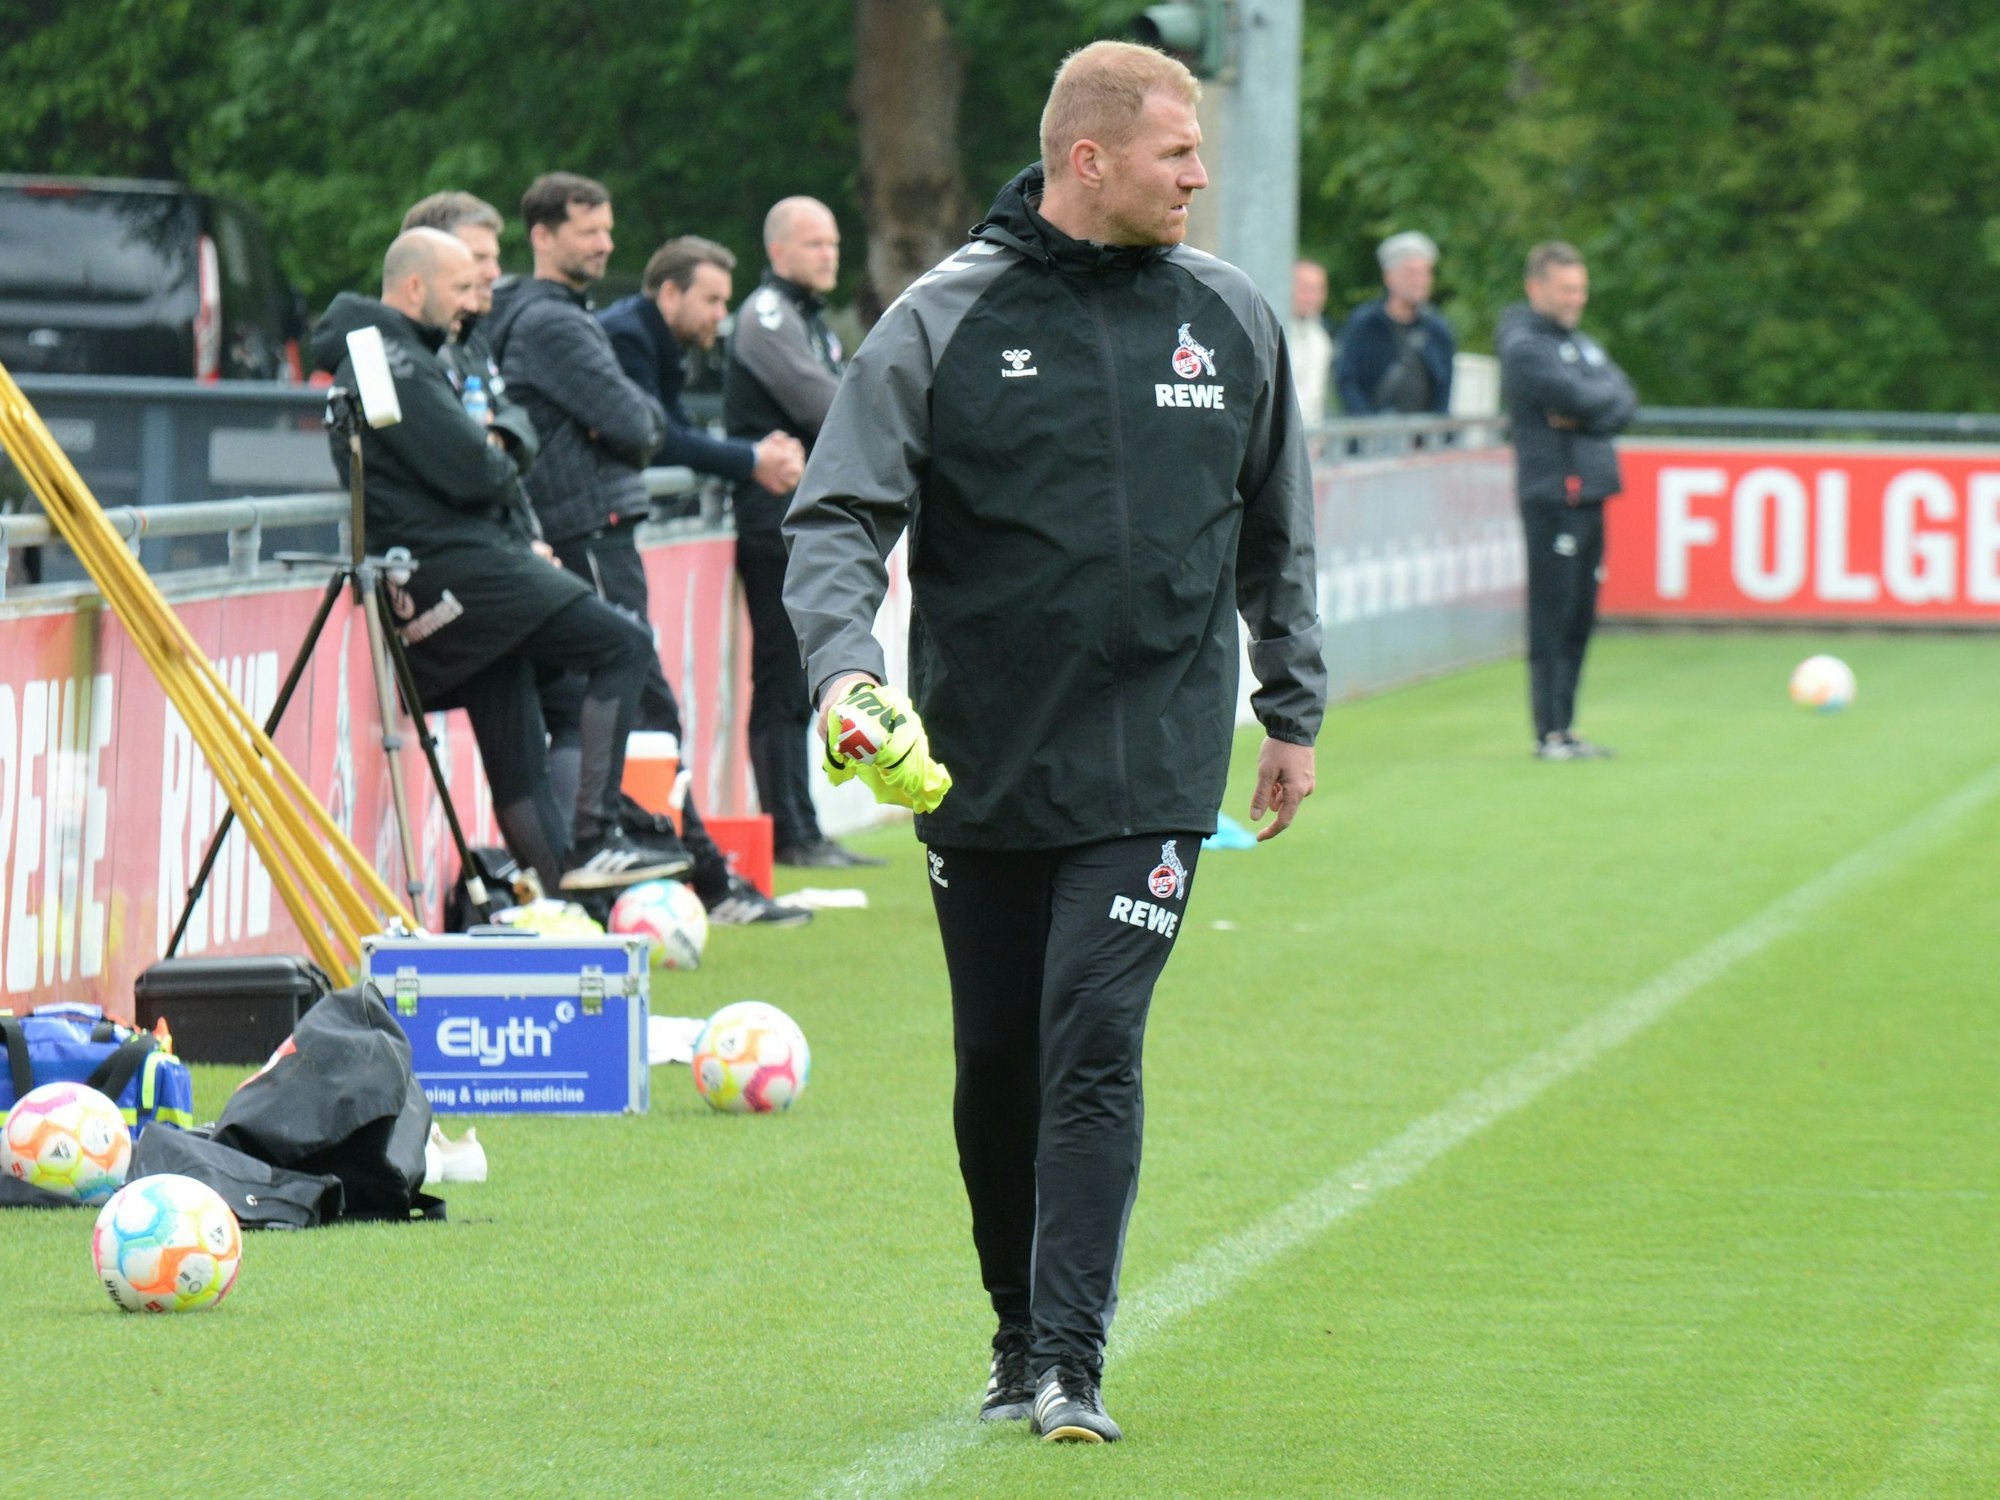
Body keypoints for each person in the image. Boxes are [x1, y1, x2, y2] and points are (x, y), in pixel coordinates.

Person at [783, 40, 1325, 1443]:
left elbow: (1277, 530)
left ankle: (1073, 1361)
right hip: (984, 755)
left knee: (1092, 1036)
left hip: (1156, 757)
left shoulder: (1231, 314)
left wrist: (1291, 706)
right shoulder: (942, 318)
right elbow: (837, 516)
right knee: (997, 1063)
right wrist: (845, 673)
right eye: (1176, 152)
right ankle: (1015, 1333)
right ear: (1090, 160)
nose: (1198, 176)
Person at [310, 228, 688, 893]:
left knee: (517, 763)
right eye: (462, 285)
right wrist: (496, 450)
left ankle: (570, 913)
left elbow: (512, 425)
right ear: (415, 287)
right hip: (461, 571)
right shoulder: (382, 359)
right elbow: (475, 471)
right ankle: (599, 837)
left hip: (464, 568)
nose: (474, 299)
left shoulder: (437, 345)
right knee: (623, 644)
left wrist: (499, 441)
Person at [488, 178, 804, 927]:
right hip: (587, 529)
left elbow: (639, 423)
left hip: (583, 528)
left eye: (608, 229)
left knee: (602, 712)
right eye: (587, 230)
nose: (605, 243)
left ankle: (655, 878)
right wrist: (619, 428)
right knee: (639, 705)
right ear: (542, 235)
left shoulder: (563, 316)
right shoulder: (555, 323)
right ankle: (687, 876)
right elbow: (643, 426)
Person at [723, 196, 878, 870]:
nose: (829, 255)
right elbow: (828, 403)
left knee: (798, 680)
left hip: (799, 520)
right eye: (815, 243)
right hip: (773, 522)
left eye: (834, 243)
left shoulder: (807, 318)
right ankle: (787, 833)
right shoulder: (766, 315)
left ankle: (805, 826)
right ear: (778, 249)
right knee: (782, 680)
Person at [1496, 240, 1638, 760]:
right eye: (1566, 289)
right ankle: (1548, 733)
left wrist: (1588, 413)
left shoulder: (1581, 345)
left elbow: (1625, 399)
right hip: (1554, 497)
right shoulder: (1524, 347)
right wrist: (1592, 406)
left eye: (1581, 289)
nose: (1576, 298)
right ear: (1536, 288)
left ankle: (1566, 727)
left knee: (1579, 615)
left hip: (1592, 493)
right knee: (1552, 615)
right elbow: (1578, 397)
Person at [597, 236, 805, 497]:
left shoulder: (652, 335)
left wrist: (756, 453)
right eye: (712, 300)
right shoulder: (626, 338)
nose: (721, 314)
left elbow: (678, 432)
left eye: (724, 302)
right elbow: (658, 440)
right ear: (670, 294)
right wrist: (754, 457)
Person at [1334, 230, 1456, 416]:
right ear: (1389, 276)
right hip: (1371, 431)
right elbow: (1346, 381)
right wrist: (1366, 425)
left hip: (1424, 432)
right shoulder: (1364, 325)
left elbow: (1443, 390)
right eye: (1411, 273)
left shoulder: (1438, 330)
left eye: (1425, 273)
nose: (1419, 281)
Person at [1289, 257, 1336, 427]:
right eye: (1304, 288)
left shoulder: (1321, 338)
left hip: (1312, 434)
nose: (1311, 297)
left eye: (1318, 290)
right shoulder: (1269, 333)